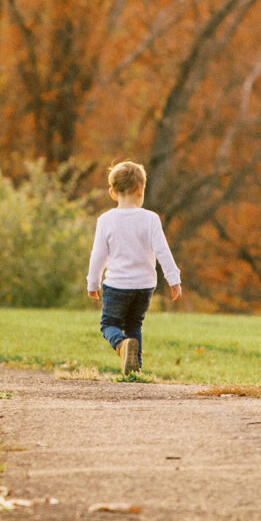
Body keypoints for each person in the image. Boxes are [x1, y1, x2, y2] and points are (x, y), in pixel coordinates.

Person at [85, 160, 182, 375]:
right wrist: (173, 279)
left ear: (112, 192)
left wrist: (93, 282)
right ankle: (134, 369)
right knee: (134, 325)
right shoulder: (150, 219)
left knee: (108, 324)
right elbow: (163, 251)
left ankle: (121, 345)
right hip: (144, 286)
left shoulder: (106, 220)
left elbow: (98, 256)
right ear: (141, 190)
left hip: (117, 285)